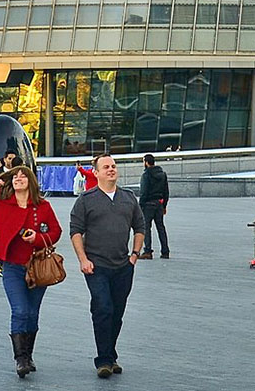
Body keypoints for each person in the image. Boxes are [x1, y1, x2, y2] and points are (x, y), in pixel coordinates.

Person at [0, 164, 63, 378]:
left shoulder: (42, 206)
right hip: (12, 268)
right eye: (14, 176)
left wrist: (37, 238)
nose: (18, 178)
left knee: (33, 313)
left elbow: (56, 231)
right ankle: (20, 359)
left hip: (37, 268)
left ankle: (28, 354)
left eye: (23, 176)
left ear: (30, 182)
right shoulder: (3, 205)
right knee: (20, 310)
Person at [69, 154, 145, 379]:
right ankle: (103, 360)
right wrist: (83, 259)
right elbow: (75, 231)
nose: (111, 170)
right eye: (106, 167)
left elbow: (139, 226)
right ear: (96, 172)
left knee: (117, 312)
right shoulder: (86, 199)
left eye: (113, 166)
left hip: (123, 265)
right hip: (96, 266)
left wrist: (134, 255)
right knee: (103, 308)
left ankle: (110, 355)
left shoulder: (129, 198)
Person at [137, 154, 170, 260]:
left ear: (146, 162)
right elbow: (166, 191)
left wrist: (140, 205)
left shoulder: (146, 175)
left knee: (146, 227)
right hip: (159, 204)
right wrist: (164, 205)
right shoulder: (162, 174)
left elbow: (144, 192)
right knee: (161, 227)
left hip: (148, 205)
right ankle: (165, 251)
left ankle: (148, 251)